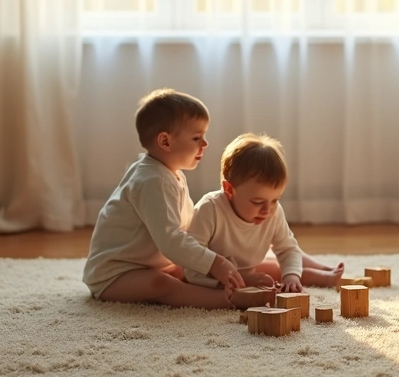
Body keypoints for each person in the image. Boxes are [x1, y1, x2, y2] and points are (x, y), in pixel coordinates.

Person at [83, 88, 246, 308]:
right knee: (161, 283)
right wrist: (214, 262)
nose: (205, 144)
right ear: (165, 142)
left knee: (190, 270)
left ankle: (242, 283)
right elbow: (171, 240)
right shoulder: (153, 180)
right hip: (114, 274)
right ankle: (228, 301)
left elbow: (186, 226)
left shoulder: (171, 173)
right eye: (197, 137)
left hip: (148, 264)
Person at [184, 133, 343, 291]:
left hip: (249, 267)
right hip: (213, 274)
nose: (268, 210)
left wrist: (291, 277)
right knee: (268, 274)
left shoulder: (273, 211)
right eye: (257, 202)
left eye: (275, 200)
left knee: (285, 272)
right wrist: (238, 281)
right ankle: (321, 275)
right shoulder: (210, 209)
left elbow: (287, 249)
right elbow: (191, 261)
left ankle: (325, 276)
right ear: (229, 190)